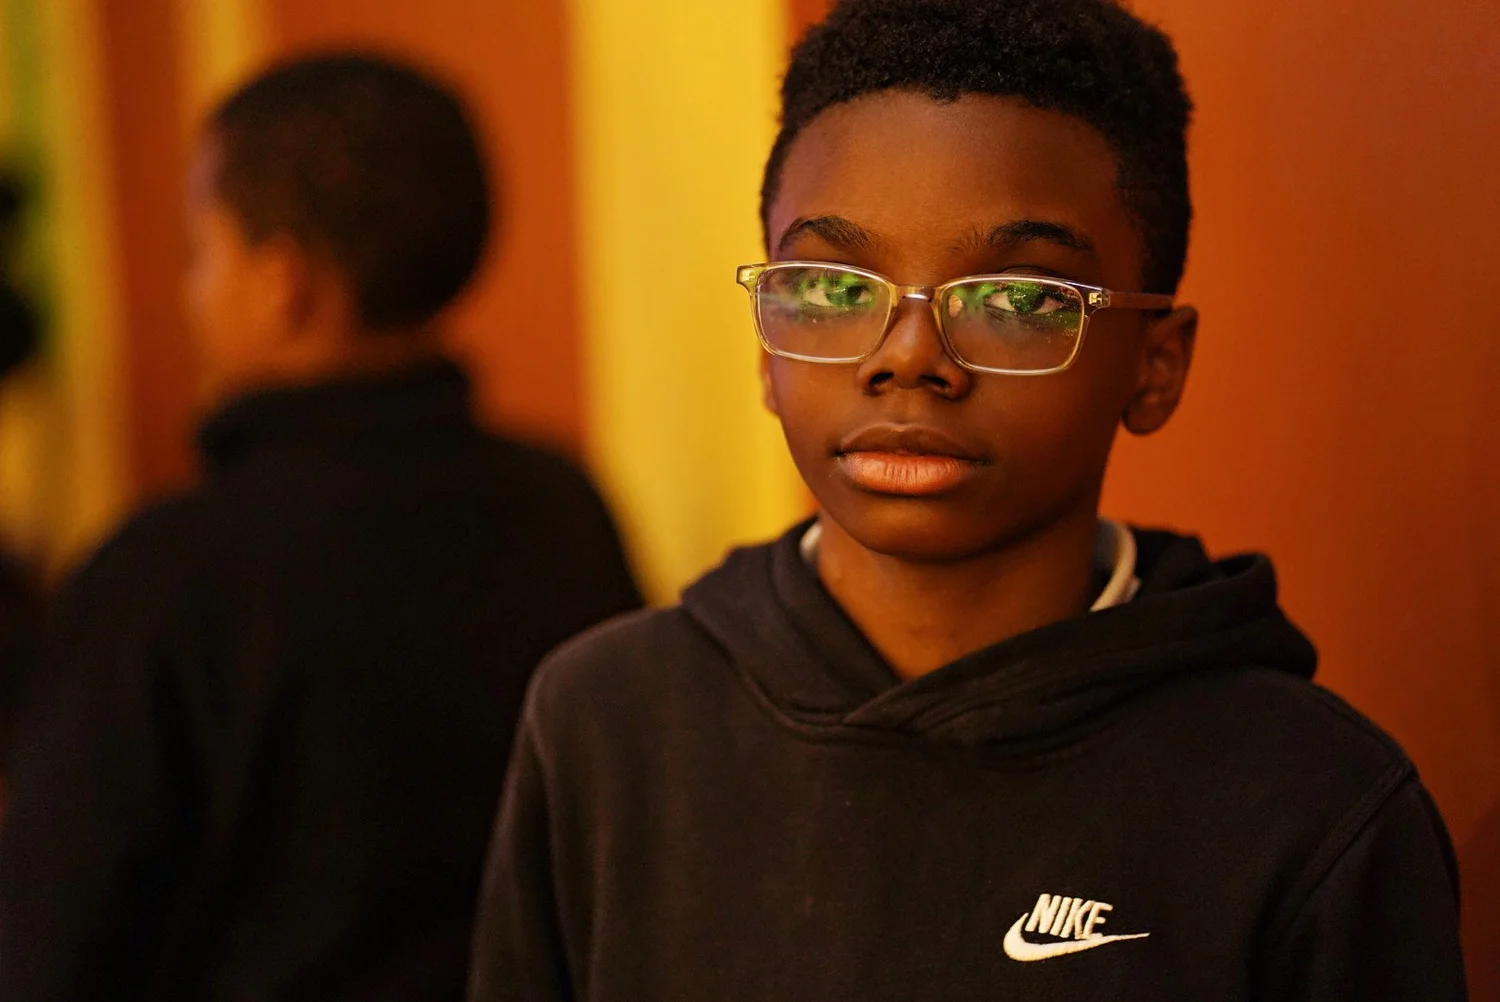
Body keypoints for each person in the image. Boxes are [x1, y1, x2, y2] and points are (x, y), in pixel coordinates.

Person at [466, 2, 1467, 999]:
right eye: (831, 286)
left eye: (1019, 301)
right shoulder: (608, 724)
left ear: (1154, 366)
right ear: (765, 343)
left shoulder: (1308, 802)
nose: (909, 357)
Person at [0, 53, 641, 1001]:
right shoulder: (562, 508)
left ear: (285, 282)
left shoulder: (163, 578)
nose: (191, 293)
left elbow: (45, 949)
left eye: (200, 251)